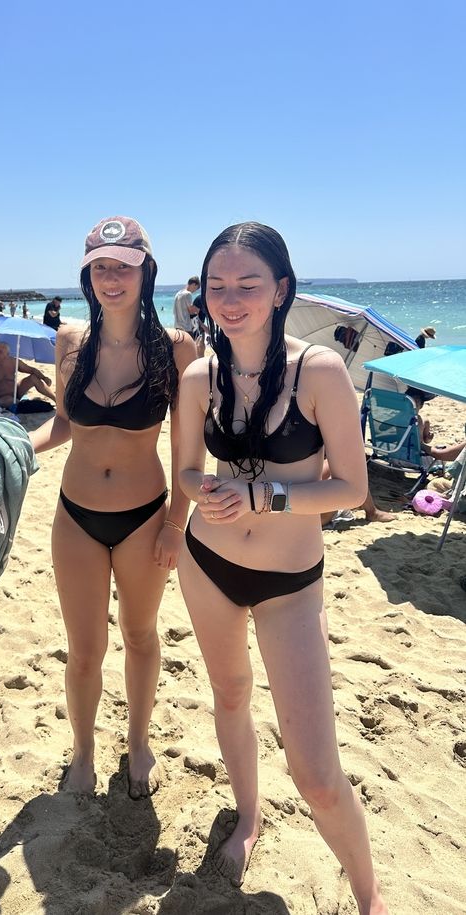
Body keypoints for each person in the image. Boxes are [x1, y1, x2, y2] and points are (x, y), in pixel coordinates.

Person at [176, 223, 388, 913]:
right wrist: (201, 490)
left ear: (281, 290)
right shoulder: (197, 376)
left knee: (319, 775)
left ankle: (369, 896)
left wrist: (267, 495)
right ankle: (247, 814)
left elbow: (354, 488)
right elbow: (182, 469)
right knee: (230, 695)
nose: (230, 299)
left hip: (290, 586)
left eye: (247, 285)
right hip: (206, 562)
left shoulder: (319, 371)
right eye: (217, 286)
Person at [29, 216, 196, 798]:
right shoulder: (71, 341)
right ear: (87, 275)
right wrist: (17, 449)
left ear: (146, 271)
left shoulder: (175, 349)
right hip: (74, 513)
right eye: (101, 266)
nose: (112, 277)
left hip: (145, 515)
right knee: (84, 649)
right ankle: (82, 751)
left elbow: (186, 452)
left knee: (140, 634)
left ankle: (141, 744)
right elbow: (63, 424)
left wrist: (177, 524)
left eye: (124, 265)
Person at [0, 342, 56, 408]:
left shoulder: (13, 361)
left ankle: (57, 400)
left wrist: (44, 378)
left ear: (7, 354)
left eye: (0, 352)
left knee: (33, 378)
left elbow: (32, 370)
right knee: (9, 401)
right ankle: (24, 404)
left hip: (15, 393)